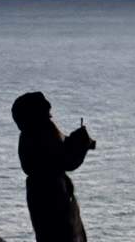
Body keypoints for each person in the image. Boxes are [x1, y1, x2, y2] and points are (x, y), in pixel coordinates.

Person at [12, 91, 95, 242]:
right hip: (53, 194)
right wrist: (82, 142)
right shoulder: (44, 131)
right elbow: (66, 160)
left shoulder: (27, 135)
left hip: (40, 195)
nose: (50, 112)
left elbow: (57, 153)